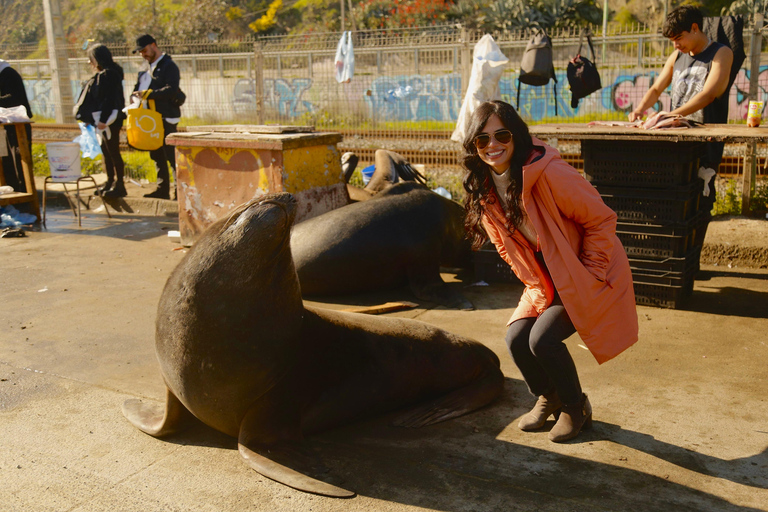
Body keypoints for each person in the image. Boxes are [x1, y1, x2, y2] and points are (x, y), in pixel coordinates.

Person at [462, 100, 638, 443]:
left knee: (542, 340)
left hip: (587, 272)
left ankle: (575, 406)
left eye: (501, 135)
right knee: (515, 339)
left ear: (518, 136)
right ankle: (550, 395)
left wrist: (593, 272)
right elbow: (503, 245)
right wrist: (531, 280)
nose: (492, 145)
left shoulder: (549, 173)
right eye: (482, 140)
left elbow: (601, 219)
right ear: (473, 145)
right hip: (545, 278)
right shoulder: (485, 186)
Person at [628, 5, 733, 247]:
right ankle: (676, 249)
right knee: (673, 196)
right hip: (675, 140)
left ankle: (693, 254)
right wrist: (639, 110)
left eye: (678, 38)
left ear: (695, 28)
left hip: (704, 142)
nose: (675, 45)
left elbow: (709, 94)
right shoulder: (677, 56)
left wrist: (669, 114)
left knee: (700, 197)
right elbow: (656, 88)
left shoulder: (721, 53)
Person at [131, 34, 182, 200]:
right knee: (156, 155)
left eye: (144, 50)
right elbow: (138, 88)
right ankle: (162, 190)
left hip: (165, 117)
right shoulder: (146, 69)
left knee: (171, 157)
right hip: (149, 119)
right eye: (140, 52)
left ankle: (179, 193)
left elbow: (171, 89)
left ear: (153, 45)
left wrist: (149, 94)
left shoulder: (168, 66)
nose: (143, 54)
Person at [74, 44, 127, 198]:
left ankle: (119, 184)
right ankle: (110, 181)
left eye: (91, 60)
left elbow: (108, 100)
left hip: (108, 120)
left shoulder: (108, 75)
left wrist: (102, 120)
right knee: (107, 152)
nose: (90, 63)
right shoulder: (109, 73)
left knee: (113, 152)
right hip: (104, 119)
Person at [0, 59, 33, 193]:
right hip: (5, 126)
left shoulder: (8, 74)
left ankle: (25, 198)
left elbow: (14, 99)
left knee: (20, 165)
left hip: (18, 127)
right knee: (7, 165)